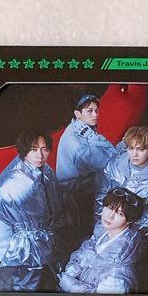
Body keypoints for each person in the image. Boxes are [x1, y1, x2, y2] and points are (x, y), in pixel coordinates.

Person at [0, 128, 63, 290]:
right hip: (3, 236)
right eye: (34, 150)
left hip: (14, 224)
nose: (40, 156)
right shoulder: (20, 184)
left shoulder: (40, 168)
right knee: (31, 267)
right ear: (25, 150)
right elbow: (31, 232)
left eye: (44, 149)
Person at [58, 188, 143, 294]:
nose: (110, 216)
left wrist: (71, 285)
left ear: (130, 220)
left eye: (120, 214)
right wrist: (73, 269)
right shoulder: (102, 233)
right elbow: (85, 250)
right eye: (110, 208)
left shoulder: (117, 276)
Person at [96, 126, 148, 235]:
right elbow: (101, 195)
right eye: (131, 148)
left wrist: (125, 236)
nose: (134, 154)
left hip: (126, 231)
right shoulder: (114, 164)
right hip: (103, 222)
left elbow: (146, 217)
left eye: (141, 149)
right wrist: (100, 225)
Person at [55, 93, 115, 227]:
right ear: (78, 114)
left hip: (77, 183)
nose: (95, 115)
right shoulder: (79, 146)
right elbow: (109, 160)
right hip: (77, 192)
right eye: (90, 111)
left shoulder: (78, 126)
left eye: (96, 110)